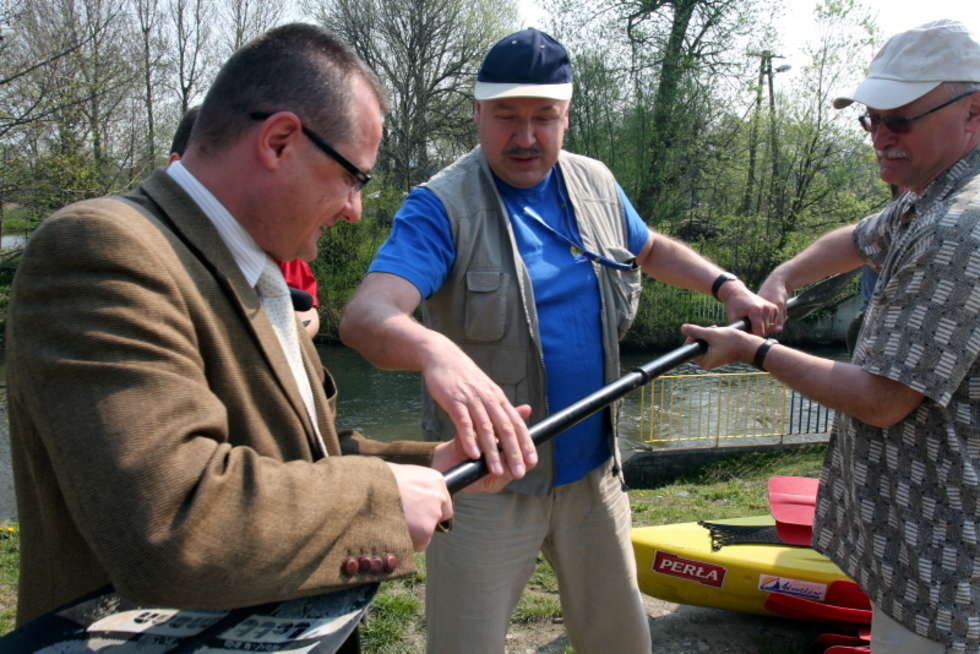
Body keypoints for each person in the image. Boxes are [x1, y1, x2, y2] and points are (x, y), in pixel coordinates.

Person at [6, 23, 520, 649]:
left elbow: (303, 457)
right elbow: (173, 521)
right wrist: (379, 498)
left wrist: (427, 465)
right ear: (279, 141)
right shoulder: (101, 249)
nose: (356, 208)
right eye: (354, 177)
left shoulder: (254, 269)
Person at [339, 28, 777, 653]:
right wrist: (436, 352)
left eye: (544, 117)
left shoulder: (597, 183)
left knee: (622, 641)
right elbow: (366, 317)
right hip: (485, 480)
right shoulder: (439, 206)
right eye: (506, 117)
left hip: (594, 472)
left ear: (567, 118)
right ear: (477, 115)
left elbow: (649, 247)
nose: (525, 137)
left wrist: (726, 286)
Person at [681, 19, 980, 654]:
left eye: (899, 118)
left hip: (950, 573)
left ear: (973, 110)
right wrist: (785, 275)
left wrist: (753, 350)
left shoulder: (961, 228)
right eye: (871, 119)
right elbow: (857, 238)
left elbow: (881, 399)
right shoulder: (925, 195)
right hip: (919, 551)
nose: (882, 137)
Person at [170, 105, 322, 337]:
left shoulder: (272, 236)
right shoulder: (137, 238)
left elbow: (308, 311)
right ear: (175, 165)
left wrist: (283, 333)